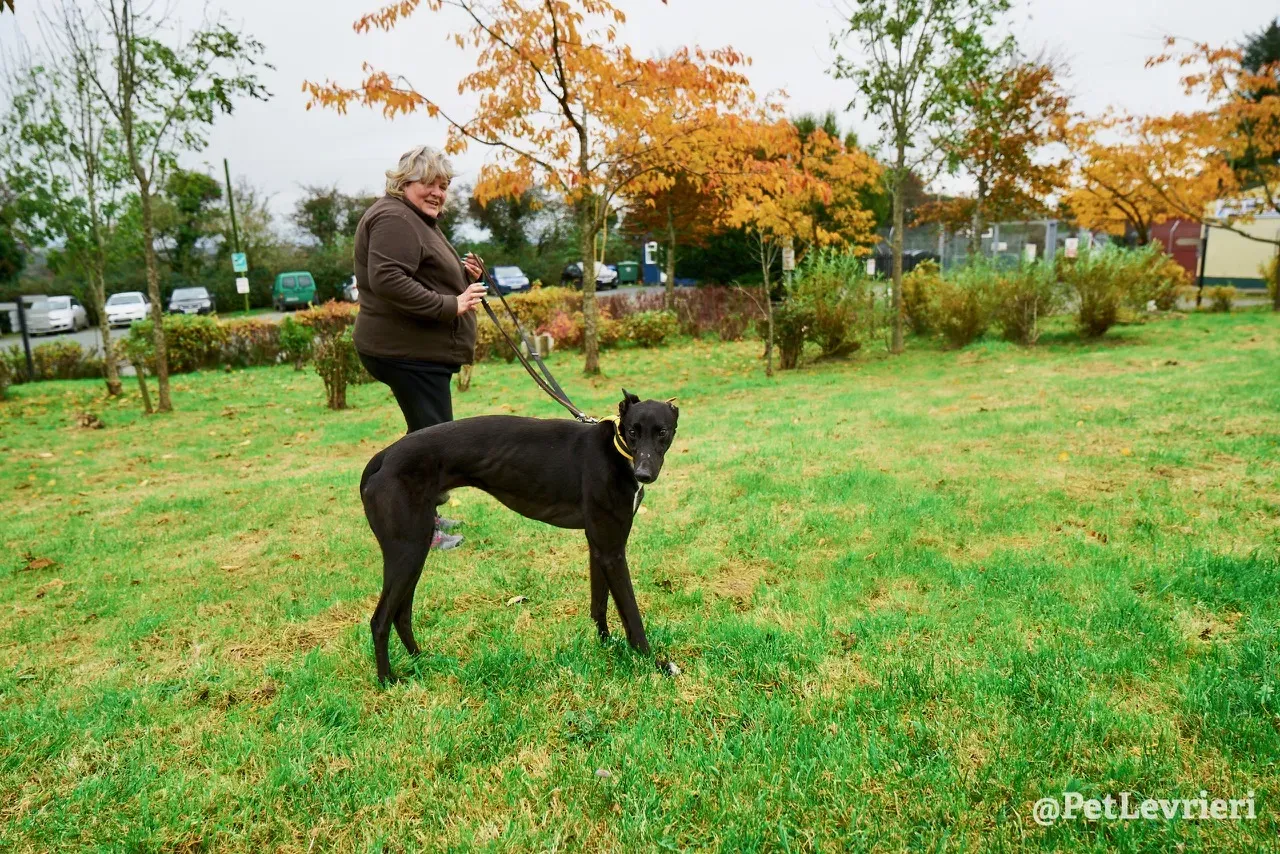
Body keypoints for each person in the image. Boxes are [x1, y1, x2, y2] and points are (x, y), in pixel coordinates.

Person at [353, 145, 488, 550]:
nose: (437, 192)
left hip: (417, 353)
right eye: (428, 182)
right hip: (406, 353)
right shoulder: (395, 217)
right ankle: (416, 525)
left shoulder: (415, 219)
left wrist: (462, 277)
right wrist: (452, 304)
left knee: (426, 437)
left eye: (443, 185)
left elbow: (419, 271)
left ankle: (421, 512)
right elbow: (388, 278)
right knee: (431, 443)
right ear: (403, 182)